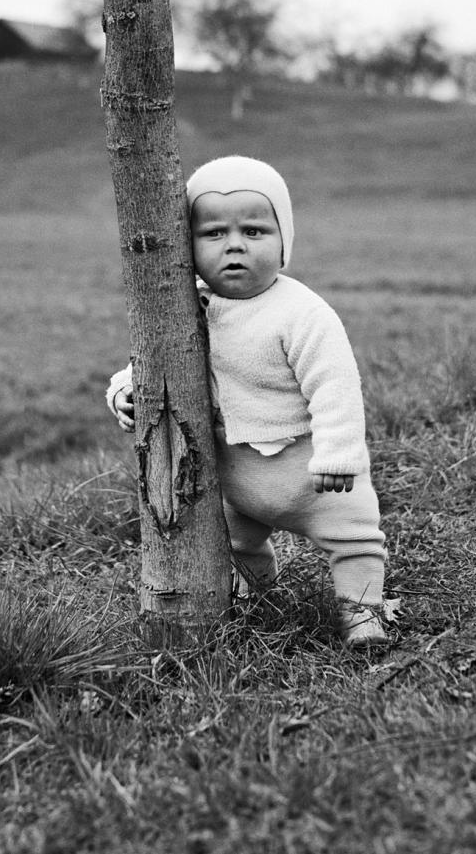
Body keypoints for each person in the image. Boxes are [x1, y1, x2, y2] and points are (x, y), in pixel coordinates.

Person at [106, 155, 388, 647]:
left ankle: (362, 615)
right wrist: (126, 393)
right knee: (235, 545)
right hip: (237, 477)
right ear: (187, 245)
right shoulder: (186, 306)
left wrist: (340, 455)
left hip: (315, 476)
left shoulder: (301, 312)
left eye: (255, 231)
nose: (234, 245)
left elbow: (335, 386)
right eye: (213, 233)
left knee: (355, 541)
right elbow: (152, 362)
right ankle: (259, 600)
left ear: (284, 244)